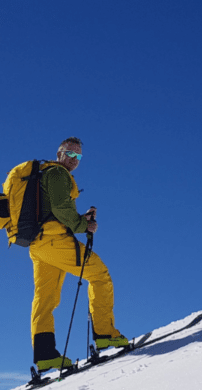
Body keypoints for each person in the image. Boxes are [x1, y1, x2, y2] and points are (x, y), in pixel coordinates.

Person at [29, 137, 128, 371]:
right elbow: (62, 209)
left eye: (78, 156)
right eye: (70, 154)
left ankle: (45, 355)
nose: (74, 160)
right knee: (100, 274)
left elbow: (53, 212)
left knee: (45, 299)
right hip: (55, 241)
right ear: (59, 153)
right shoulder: (57, 174)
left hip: (39, 245)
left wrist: (80, 220)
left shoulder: (43, 175)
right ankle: (105, 334)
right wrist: (84, 226)